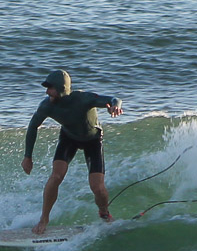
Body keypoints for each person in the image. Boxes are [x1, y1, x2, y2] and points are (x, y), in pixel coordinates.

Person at [23, 69, 124, 234]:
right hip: (68, 138)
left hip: (93, 140)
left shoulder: (83, 99)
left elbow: (114, 99)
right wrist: (28, 156)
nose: (47, 92)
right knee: (56, 176)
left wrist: (115, 106)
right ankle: (44, 219)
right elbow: (33, 126)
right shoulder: (47, 105)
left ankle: (104, 213)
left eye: (50, 88)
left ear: (62, 89)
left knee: (98, 188)